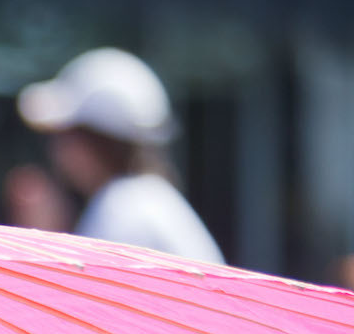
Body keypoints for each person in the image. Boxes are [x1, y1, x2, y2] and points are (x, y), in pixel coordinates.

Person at [16, 48, 224, 265]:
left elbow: (86, 285)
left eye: (65, 134)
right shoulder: (144, 200)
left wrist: (44, 237)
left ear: (95, 139)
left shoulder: (121, 210)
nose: (56, 149)